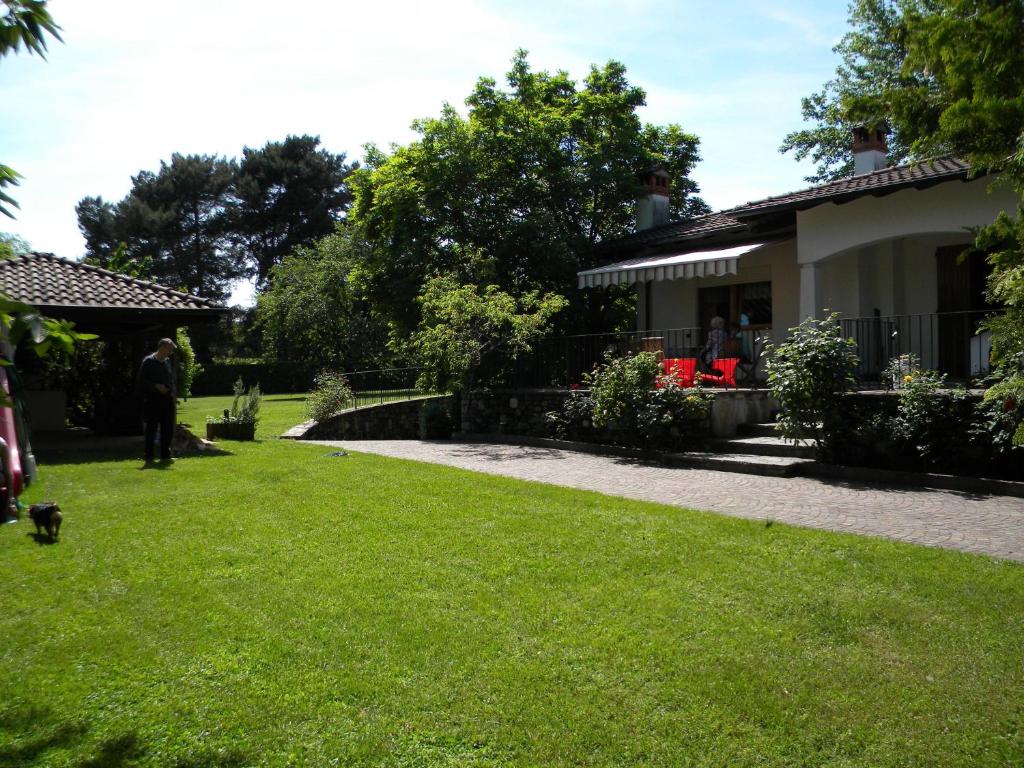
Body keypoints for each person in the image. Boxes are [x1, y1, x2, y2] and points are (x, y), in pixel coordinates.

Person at [137, 338, 177, 464]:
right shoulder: (148, 361)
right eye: (169, 350)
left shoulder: (167, 361)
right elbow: (141, 381)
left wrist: (171, 391)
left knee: (167, 427)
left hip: (167, 398)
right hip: (153, 399)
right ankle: (149, 455)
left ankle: (165, 454)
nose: (170, 353)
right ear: (162, 348)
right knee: (152, 427)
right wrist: (156, 386)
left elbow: (170, 378)